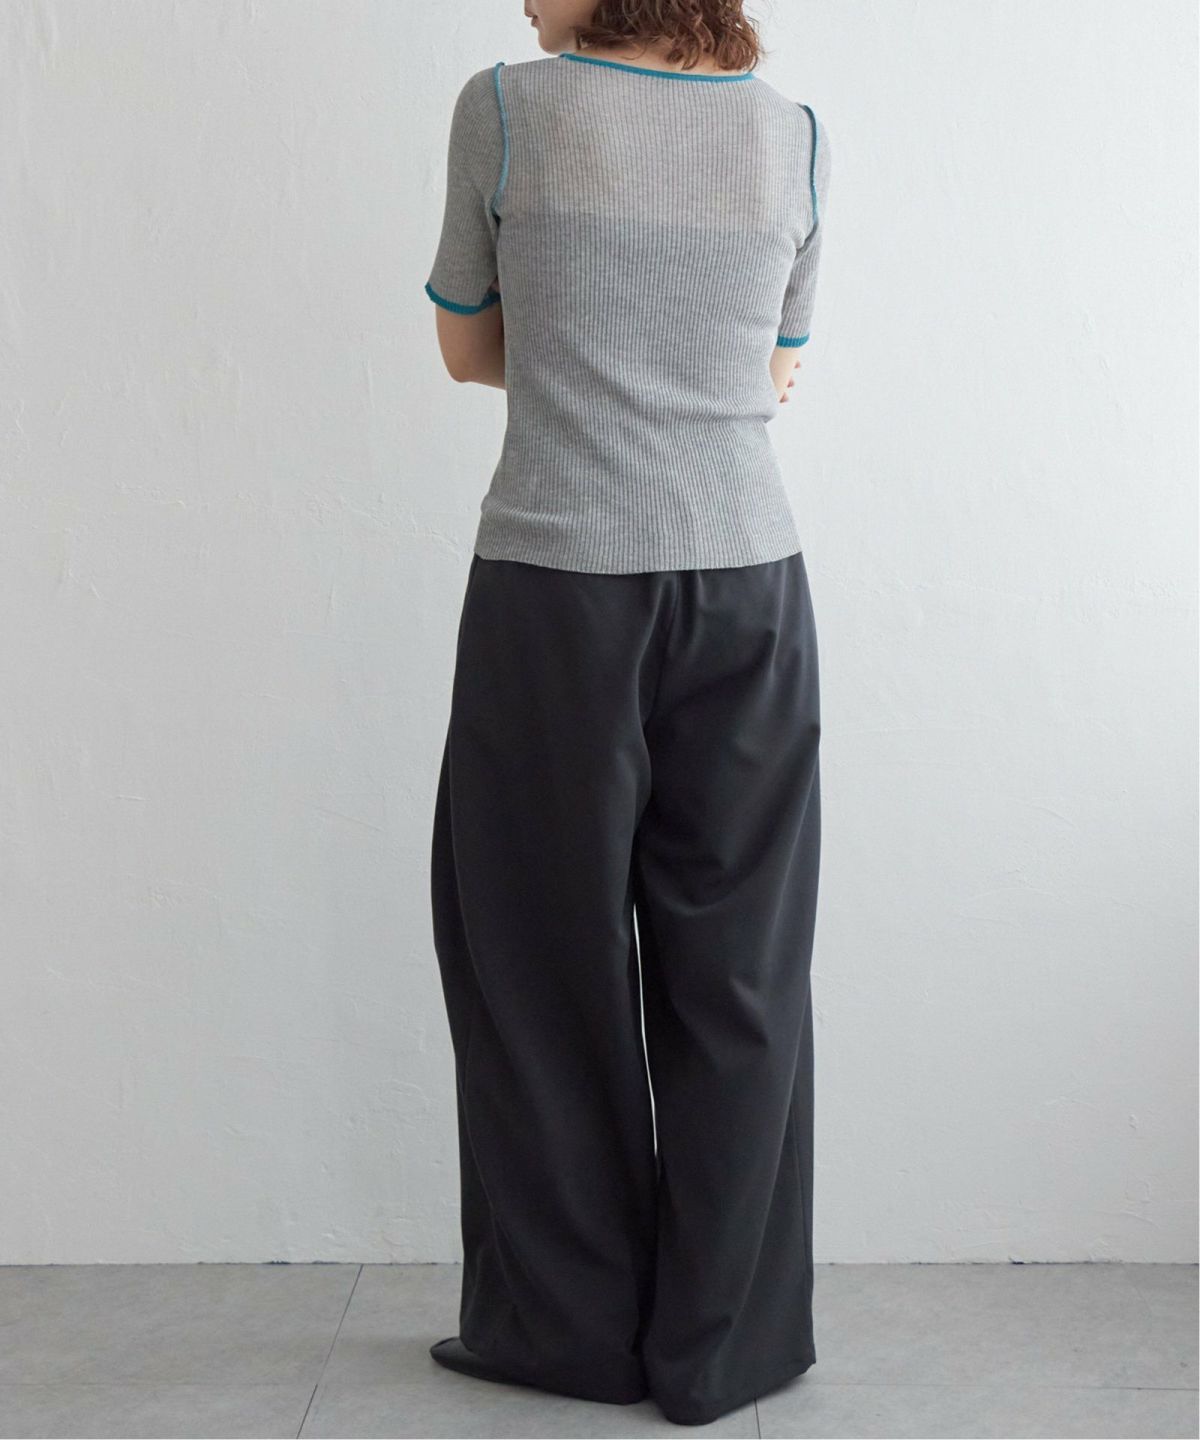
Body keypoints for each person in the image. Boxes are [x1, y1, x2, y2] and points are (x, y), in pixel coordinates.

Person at [422, 0, 831, 1426]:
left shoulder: (507, 106)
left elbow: (469, 354)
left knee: (537, 964)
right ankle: (729, 1346)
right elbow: (774, 370)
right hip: (750, 588)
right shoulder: (791, 135)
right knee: (741, 969)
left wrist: (583, 345)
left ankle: (568, 1331)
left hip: (558, 587)